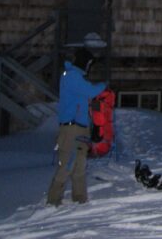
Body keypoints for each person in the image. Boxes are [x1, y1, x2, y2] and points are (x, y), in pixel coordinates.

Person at [46, 47, 106, 206]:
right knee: (66, 164)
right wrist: (104, 85)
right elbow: (90, 91)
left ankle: (80, 198)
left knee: (80, 165)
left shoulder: (76, 77)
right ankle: (53, 200)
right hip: (71, 128)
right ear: (84, 62)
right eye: (89, 63)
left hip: (80, 127)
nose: (90, 67)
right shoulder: (71, 76)